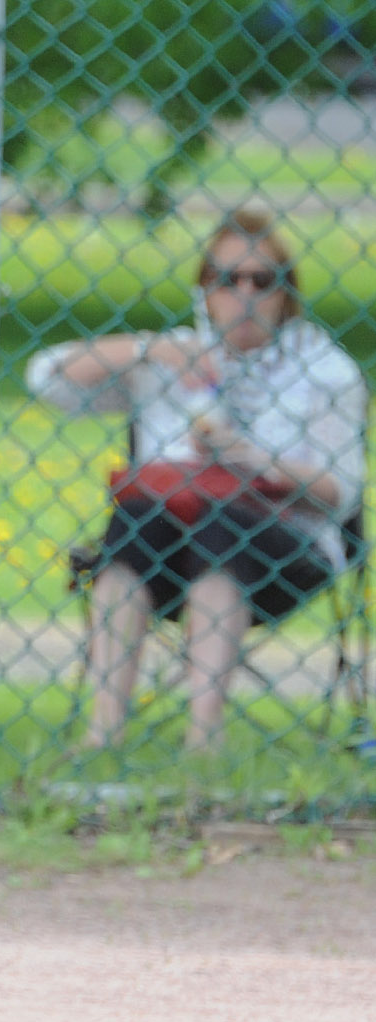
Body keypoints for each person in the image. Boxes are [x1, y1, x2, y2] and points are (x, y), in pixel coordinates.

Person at [27, 207, 366, 754]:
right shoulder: (175, 357)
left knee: (220, 523)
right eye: (228, 279)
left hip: (283, 552)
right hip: (160, 544)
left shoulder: (326, 371)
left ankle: (202, 736)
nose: (245, 294)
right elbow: (47, 380)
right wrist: (150, 349)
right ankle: (102, 732)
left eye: (263, 280)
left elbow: (341, 492)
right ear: (204, 289)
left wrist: (255, 461)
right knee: (136, 517)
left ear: (287, 292)